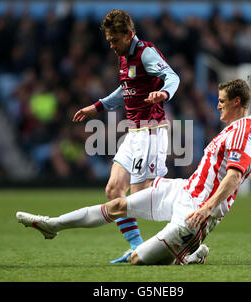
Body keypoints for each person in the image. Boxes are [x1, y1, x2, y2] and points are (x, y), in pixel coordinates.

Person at [17, 79, 251, 265]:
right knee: (117, 205)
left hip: (196, 212)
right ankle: (53, 225)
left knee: (137, 259)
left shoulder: (242, 132)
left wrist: (206, 209)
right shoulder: (238, 130)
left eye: (222, 101)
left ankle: (190, 255)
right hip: (181, 189)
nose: (218, 106)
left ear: (237, 102)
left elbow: (235, 175)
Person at [72, 9, 180, 262]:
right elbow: (126, 89)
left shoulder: (146, 53)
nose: (111, 45)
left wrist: (163, 93)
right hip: (134, 132)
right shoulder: (123, 56)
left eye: (114, 40)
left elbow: (172, 76)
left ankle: (189, 237)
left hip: (151, 131)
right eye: (108, 40)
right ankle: (136, 247)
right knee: (113, 190)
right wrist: (96, 107)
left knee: (143, 196)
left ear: (129, 34)